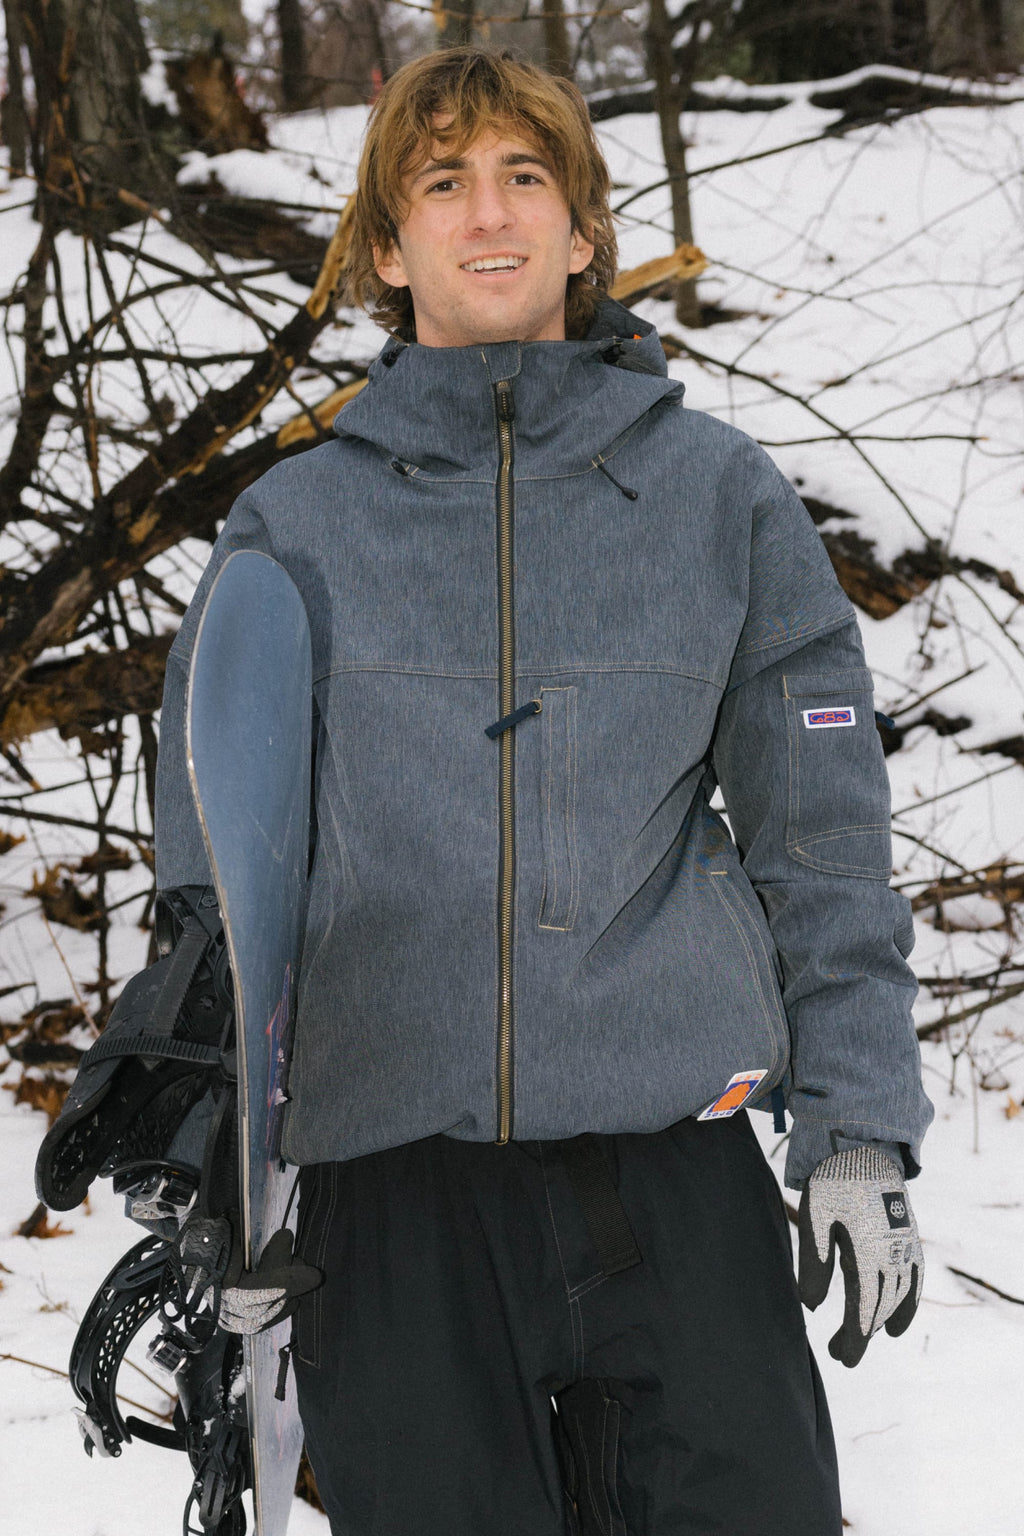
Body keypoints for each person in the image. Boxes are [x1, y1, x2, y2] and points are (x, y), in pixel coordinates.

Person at [60, 45, 934, 1536]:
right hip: (393, 1203)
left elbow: (825, 839)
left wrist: (855, 1121)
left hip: (675, 1177)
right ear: (386, 248)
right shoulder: (295, 521)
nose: (490, 212)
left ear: (585, 232)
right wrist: (214, 1165)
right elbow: (217, 889)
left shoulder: (721, 500)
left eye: (528, 176)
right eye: (443, 181)